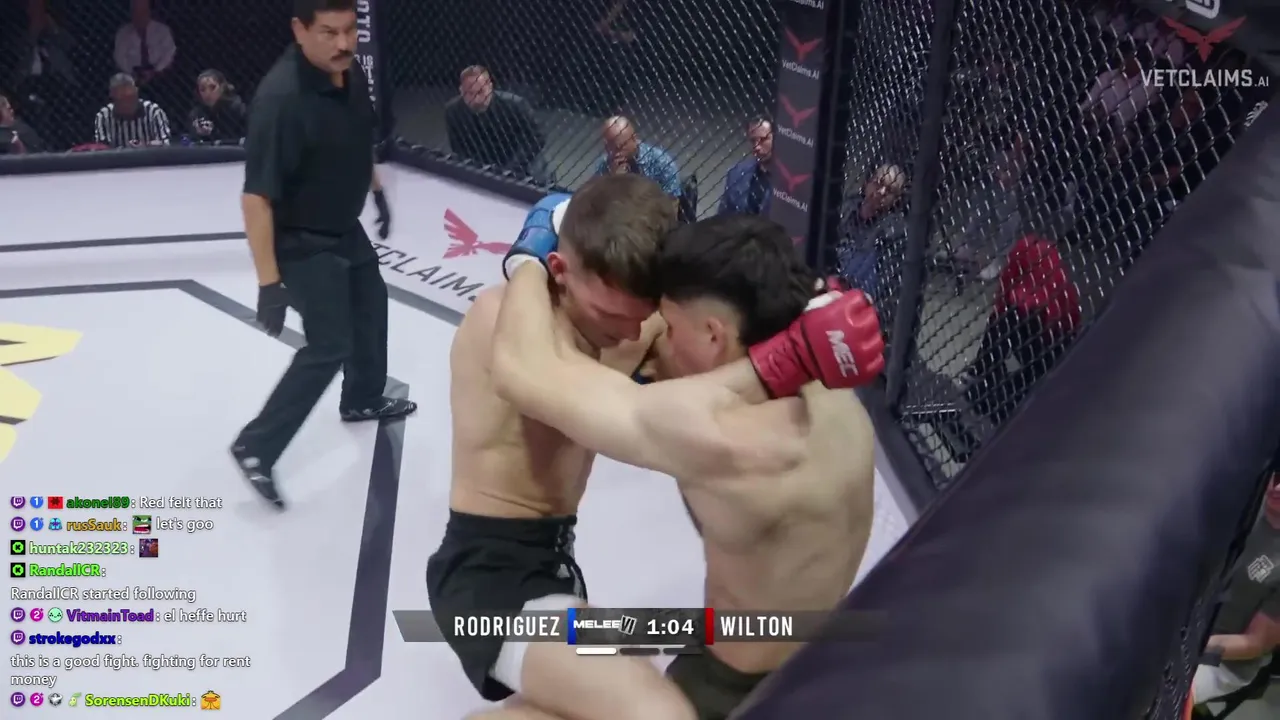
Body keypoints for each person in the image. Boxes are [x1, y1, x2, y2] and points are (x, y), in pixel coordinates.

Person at [468, 210, 885, 720]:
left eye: (668, 325)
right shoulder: (832, 392)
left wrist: (531, 259)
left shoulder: (716, 434)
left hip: (730, 694)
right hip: (814, 662)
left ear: (713, 335)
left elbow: (522, 371)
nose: (655, 340)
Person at [428, 174, 689, 718]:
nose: (629, 333)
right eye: (610, 315)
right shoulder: (503, 323)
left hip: (554, 560)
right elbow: (560, 381)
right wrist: (525, 261)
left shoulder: (629, 322)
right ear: (559, 270)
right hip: (487, 574)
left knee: (605, 692)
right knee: (652, 709)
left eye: (640, 316)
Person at [230, 0, 412, 509]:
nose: (343, 43)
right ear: (299, 30)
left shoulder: (349, 73)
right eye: (329, 32)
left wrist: (376, 190)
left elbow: (354, 139)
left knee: (371, 305)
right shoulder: (281, 100)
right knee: (329, 344)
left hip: (341, 224)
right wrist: (269, 284)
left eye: (350, 30)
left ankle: (362, 399)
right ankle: (255, 445)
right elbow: (256, 198)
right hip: (300, 238)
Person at [1191, 472, 1280, 706]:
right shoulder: (1247, 503)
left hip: (1223, 663)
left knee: (1148, 698)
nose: (1278, 488)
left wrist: (1190, 646)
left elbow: (1254, 643)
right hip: (1187, 622)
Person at [444, 65, 550, 184]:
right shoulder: (453, 111)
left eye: (480, 92)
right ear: (461, 91)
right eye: (469, 93)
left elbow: (537, 137)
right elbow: (458, 147)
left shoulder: (515, 105)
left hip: (520, 161)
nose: (476, 99)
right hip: (482, 160)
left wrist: (512, 168)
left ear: (490, 87)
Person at [595, 116, 682, 198]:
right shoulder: (606, 163)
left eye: (619, 147)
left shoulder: (661, 163)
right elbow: (596, 199)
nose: (615, 154)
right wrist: (614, 180)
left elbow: (672, 201)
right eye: (609, 148)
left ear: (634, 139)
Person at [92, 73, 170, 148]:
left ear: (136, 92)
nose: (127, 103)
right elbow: (102, 148)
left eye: (131, 98)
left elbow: (164, 143)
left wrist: (144, 146)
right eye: (122, 98)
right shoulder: (104, 116)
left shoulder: (153, 111)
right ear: (112, 96)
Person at [718, 117, 773, 216]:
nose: (756, 147)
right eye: (753, 141)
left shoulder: (787, 181)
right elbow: (723, 215)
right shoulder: (736, 174)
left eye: (763, 139)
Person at [187, 69, 247, 143]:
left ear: (222, 87)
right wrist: (198, 132)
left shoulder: (236, 108)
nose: (208, 94)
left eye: (212, 87)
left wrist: (213, 132)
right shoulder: (197, 113)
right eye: (202, 89)